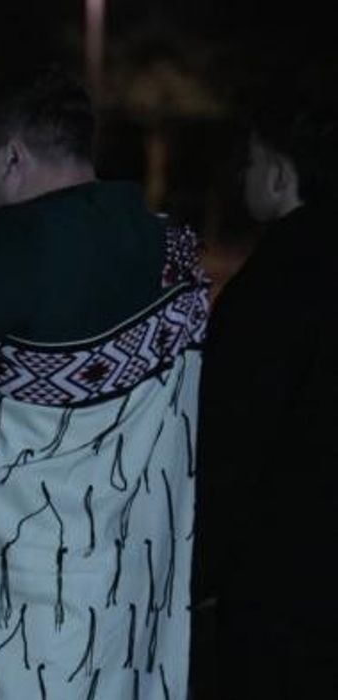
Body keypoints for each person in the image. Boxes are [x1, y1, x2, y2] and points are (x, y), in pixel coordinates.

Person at [0, 67, 207, 699]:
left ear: (13, 157)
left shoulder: (11, 244)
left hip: (24, 597)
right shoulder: (164, 239)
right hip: (124, 587)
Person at [191, 88, 338, 699]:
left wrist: (200, 573)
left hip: (286, 587)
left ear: (280, 175)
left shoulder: (274, 286)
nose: (244, 177)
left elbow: (231, 440)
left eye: (252, 163)